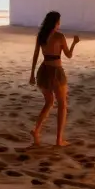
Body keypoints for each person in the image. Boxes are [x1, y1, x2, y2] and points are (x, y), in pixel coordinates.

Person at [29, 11, 79, 146]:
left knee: (49, 102)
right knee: (62, 104)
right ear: (56, 22)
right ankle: (59, 139)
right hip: (56, 72)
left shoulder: (41, 35)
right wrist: (74, 43)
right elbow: (68, 55)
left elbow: (35, 56)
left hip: (44, 71)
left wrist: (32, 74)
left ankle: (36, 130)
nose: (59, 24)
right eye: (59, 21)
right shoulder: (59, 36)